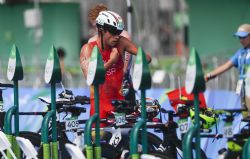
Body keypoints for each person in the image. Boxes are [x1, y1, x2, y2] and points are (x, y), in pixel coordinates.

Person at [80, 10, 151, 120]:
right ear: (101, 29)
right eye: (113, 31)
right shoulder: (88, 49)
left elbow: (147, 58)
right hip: (99, 104)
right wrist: (111, 62)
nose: (117, 36)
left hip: (120, 102)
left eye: (119, 32)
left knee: (125, 136)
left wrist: (140, 63)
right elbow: (90, 77)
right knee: (98, 136)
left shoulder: (121, 43)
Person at [87, 3, 136, 103]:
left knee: (127, 114)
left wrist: (122, 78)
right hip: (103, 87)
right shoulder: (92, 42)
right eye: (94, 25)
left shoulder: (123, 36)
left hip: (121, 84)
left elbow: (125, 67)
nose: (96, 28)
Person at [205, 24, 250, 114]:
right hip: (241, 87)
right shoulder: (240, 52)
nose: (241, 40)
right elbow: (226, 66)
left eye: (243, 37)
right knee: (244, 115)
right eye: (239, 38)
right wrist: (208, 76)